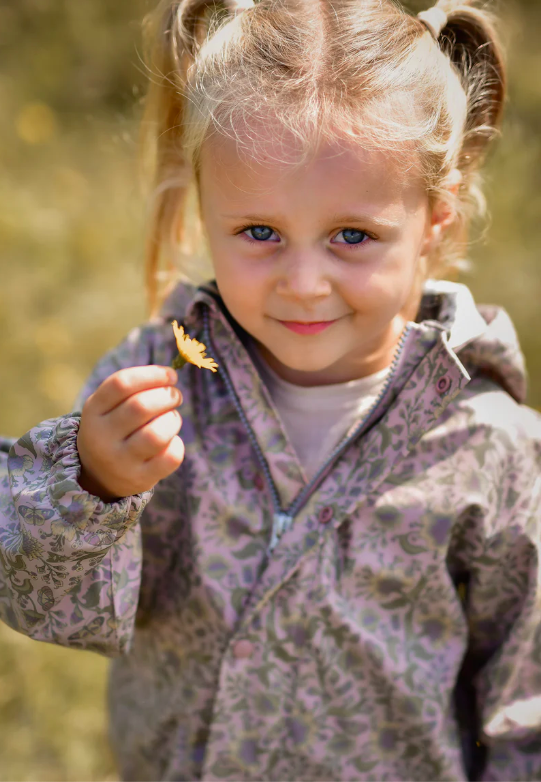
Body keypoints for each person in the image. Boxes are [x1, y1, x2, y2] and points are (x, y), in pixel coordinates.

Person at [1, 0, 541, 779]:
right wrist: (90, 485)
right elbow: (44, 605)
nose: (303, 283)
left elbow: (524, 718)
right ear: (203, 210)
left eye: (351, 236)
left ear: (431, 220)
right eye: (258, 233)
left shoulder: (494, 452)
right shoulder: (157, 382)